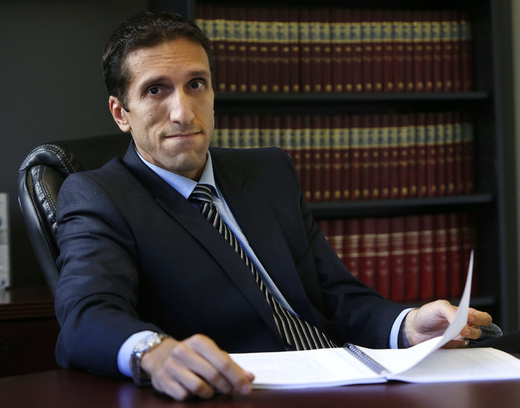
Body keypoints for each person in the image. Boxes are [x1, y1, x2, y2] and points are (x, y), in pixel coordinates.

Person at [54, 11, 492, 401]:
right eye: (155, 91)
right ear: (121, 113)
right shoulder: (100, 194)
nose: (183, 112)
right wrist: (152, 351)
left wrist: (408, 324)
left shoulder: (268, 171)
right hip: (247, 392)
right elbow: (86, 318)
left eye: (196, 85)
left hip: (347, 380)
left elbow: (337, 295)